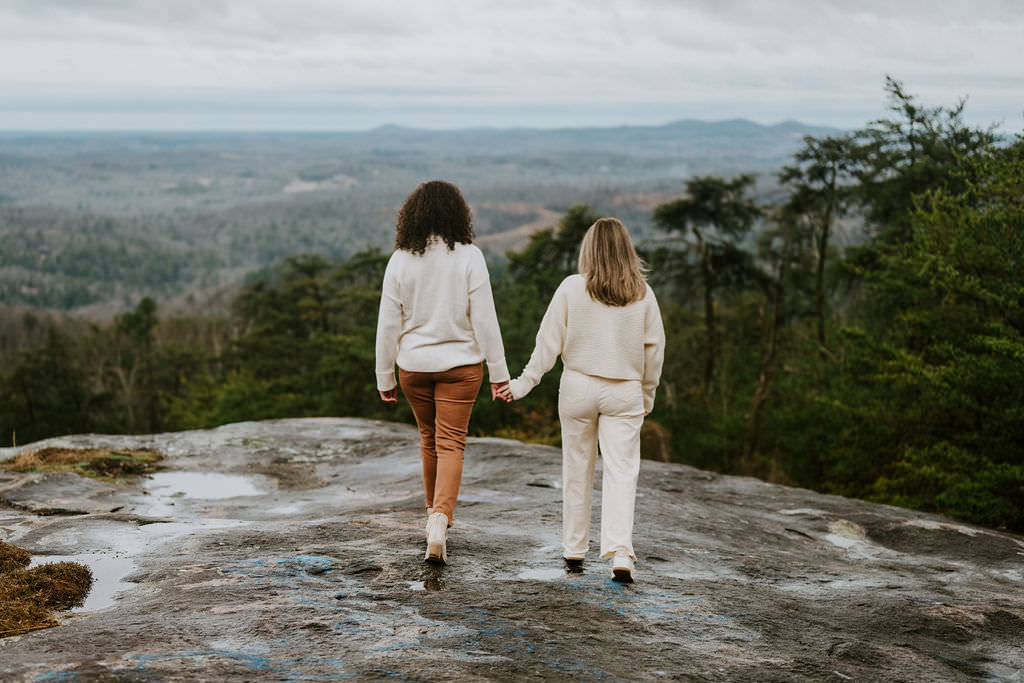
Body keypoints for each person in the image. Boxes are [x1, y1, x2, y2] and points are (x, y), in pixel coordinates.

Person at [508, 218, 665, 583]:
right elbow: (654, 351)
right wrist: (647, 394)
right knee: (621, 471)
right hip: (625, 388)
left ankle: (574, 551)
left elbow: (547, 343)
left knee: (576, 466)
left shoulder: (571, 288)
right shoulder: (643, 293)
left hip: (577, 386)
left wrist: (523, 384)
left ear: (588, 250)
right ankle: (621, 552)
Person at [375, 180, 512, 565]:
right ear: (458, 215)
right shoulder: (470, 256)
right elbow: (485, 320)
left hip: (413, 368)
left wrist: (384, 377)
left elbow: (388, 324)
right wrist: (499, 373)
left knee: (429, 438)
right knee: (452, 442)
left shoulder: (401, 259)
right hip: (461, 367)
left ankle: (431, 513)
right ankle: (439, 521)